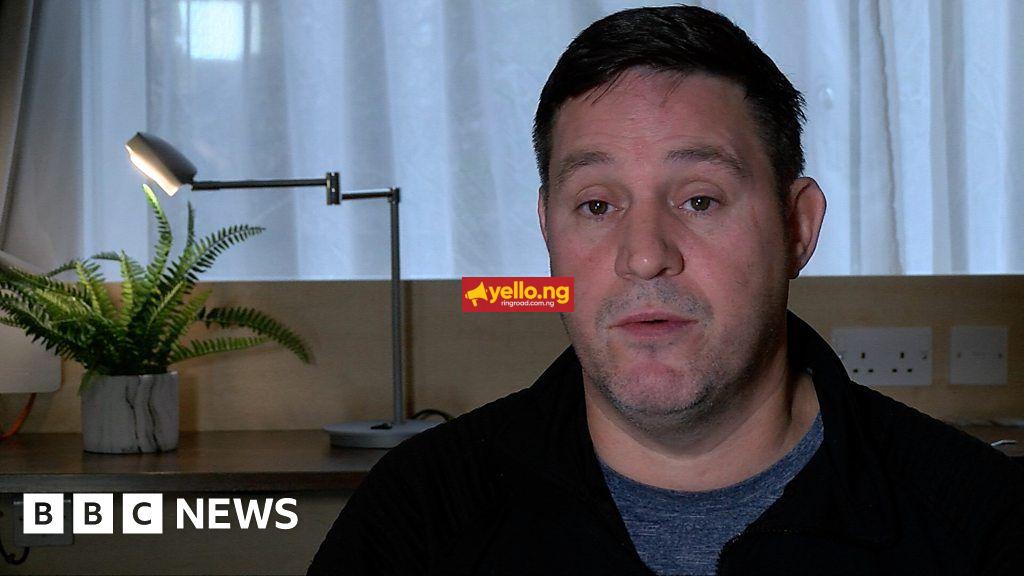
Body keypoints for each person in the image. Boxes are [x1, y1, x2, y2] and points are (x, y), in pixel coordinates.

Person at [309, 6, 1024, 575]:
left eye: (700, 200)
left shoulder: (983, 526)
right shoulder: (415, 519)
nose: (645, 257)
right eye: (597, 205)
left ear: (798, 227)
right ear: (548, 232)